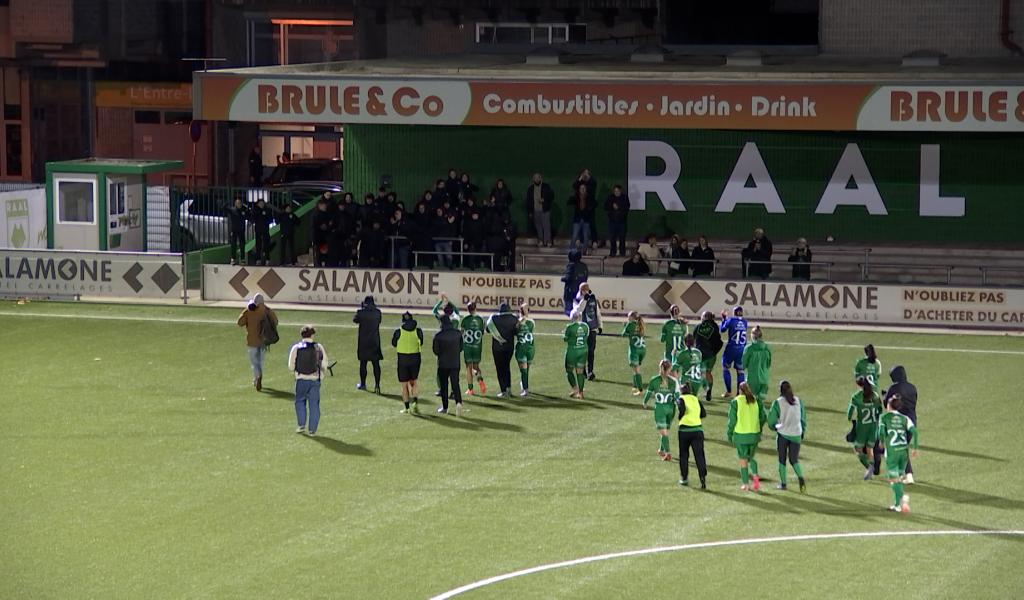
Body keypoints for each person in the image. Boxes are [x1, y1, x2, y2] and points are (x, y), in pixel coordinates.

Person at [877, 394, 919, 513]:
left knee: (893, 480)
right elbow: (915, 432)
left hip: (892, 453)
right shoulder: (905, 418)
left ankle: (903, 498)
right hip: (903, 453)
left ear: (889, 406)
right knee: (899, 478)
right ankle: (897, 505)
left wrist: (881, 442)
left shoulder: (884, 417)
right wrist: (915, 448)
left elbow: (881, 432)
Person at [287, 325, 328, 436]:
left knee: (300, 402)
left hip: (301, 379)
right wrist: (321, 375)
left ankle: (301, 425)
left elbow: (291, 366)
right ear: (312, 335)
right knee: (314, 405)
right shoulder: (318, 347)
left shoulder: (296, 348)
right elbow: (324, 363)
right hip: (315, 380)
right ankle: (312, 430)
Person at [727, 382, 768, 491]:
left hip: (741, 436)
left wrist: (729, 434)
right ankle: (755, 480)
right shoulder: (756, 400)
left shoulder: (736, 402)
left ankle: (746, 484)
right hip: (754, 435)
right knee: (751, 458)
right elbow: (763, 417)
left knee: (743, 460)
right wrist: (758, 428)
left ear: (739, 390)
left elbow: (732, 421)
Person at [882, 365, 919, 483]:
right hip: (912, 420)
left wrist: (884, 395)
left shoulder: (894, 387)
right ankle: (907, 475)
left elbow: (887, 404)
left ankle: (907, 475)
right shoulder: (912, 387)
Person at [768, 380, 806, 492]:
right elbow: (803, 418)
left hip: (783, 434)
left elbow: (771, 420)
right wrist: (802, 431)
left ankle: (783, 484)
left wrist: (775, 427)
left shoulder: (778, 402)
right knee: (794, 460)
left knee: (782, 460)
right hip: (796, 433)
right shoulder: (798, 401)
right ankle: (801, 477)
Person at [236, 293, 277, 391]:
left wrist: (246, 311)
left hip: (252, 340)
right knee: (261, 361)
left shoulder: (249, 310)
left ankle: (257, 377)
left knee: (254, 362)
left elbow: (239, 322)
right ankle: (259, 376)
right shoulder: (267, 311)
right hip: (264, 340)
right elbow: (275, 322)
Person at [643, 359, 679, 462]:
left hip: (660, 409)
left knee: (663, 432)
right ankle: (661, 449)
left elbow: (649, 393)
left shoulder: (654, 380)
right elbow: (677, 396)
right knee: (665, 431)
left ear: (661, 368)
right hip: (671, 409)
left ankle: (668, 453)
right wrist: (680, 408)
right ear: (669, 369)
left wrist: (644, 402)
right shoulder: (674, 381)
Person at [847, 377, 882, 480]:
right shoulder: (875, 395)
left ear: (859, 385)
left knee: (858, 449)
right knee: (869, 448)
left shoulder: (856, 397)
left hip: (862, 427)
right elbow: (880, 410)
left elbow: (849, 412)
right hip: (873, 426)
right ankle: (871, 466)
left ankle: (869, 467)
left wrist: (850, 419)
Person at [676, 381, 708, 489]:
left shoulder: (681, 399)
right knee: (699, 456)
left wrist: (680, 417)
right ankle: (702, 478)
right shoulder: (696, 399)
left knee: (684, 456)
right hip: (698, 431)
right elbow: (703, 414)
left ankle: (684, 478)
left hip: (684, 431)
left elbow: (682, 409)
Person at [392, 312, 424, 414]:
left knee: (404, 385)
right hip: (415, 358)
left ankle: (407, 407)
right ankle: (415, 403)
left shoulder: (398, 331)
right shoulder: (418, 331)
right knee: (414, 382)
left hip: (403, 359)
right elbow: (421, 342)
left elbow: (393, 343)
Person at [486, 302, 519, 398]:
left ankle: (503, 390)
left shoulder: (494, 318)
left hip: (497, 348)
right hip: (509, 348)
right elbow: (516, 332)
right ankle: (508, 388)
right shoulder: (514, 318)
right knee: (507, 367)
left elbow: (488, 330)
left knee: (500, 369)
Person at [433, 315, 464, 416]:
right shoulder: (457, 333)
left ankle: (445, 407)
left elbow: (436, 351)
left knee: (444, 386)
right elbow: (461, 347)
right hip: (455, 362)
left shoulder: (438, 335)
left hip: (443, 363)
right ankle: (458, 403)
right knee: (455, 384)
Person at [572, 282, 603, 381]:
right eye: (584, 289)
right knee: (583, 351)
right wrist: (584, 300)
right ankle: (583, 370)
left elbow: (597, 312)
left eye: (587, 289)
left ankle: (590, 371)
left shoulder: (592, 298)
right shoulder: (577, 299)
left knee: (591, 351)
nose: (586, 291)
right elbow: (578, 311)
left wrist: (600, 325)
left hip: (592, 328)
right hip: (582, 329)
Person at [353, 296, 383, 393]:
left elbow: (355, 320)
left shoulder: (361, 312)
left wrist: (362, 308)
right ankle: (377, 385)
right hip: (374, 341)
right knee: (376, 364)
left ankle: (363, 384)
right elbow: (379, 321)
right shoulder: (378, 312)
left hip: (364, 341)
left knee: (363, 363)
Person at [693, 311, 723, 402]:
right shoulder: (714, 327)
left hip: (701, 355)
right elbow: (718, 341)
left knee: (701, 373)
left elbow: (694, 339)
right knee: (708, 372)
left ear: (703, 317)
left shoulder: (698, 327)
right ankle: (709, 390)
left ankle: (706, 390)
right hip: (712, 355)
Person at [719, 306, 748, 398]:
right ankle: (740, 393)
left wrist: (724, 319)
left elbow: (722, 329)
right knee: (740, 371)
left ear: (734, 312)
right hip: (741, 348)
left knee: (725, 368)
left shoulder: (731, 320)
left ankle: (729, 391)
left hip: (731, 348)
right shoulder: (745, 322)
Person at [460, 301, 488, 395]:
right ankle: (480, 379)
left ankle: (470, 389)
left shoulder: (465, 319)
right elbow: (482, 332)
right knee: (476, 366)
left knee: (469, 367)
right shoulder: (481, 319)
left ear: (468, 309)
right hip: (477, 346)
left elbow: (462, 333)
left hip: (468, 347)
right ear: (476, 308)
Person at [741, 325, 772, 407]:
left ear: (753, 335)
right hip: (764, 378)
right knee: (760, 404)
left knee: (750, 404)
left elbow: (743, 363)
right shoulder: (766, 348)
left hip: (752, 379)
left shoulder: (749, 348)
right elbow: (769, 363)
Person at [563, 310, 590, 399]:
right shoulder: (586, 326)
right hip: (583, 350)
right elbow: (587, 336)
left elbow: (565, 339)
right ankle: (581, 393)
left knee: (569, 370)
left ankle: (575, 389)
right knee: (580, 372)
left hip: (572, 351)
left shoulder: (570, 327)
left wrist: (564, 334)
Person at [621, 311, 647, 396]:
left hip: (634, 350)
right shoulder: (641, 324)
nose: (628, 318)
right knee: (636, 368)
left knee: (636, 370)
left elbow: (623, 334)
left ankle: (640, 390)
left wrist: (625, 326)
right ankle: (635, 385)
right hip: (642, 349)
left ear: (632, 317)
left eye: (628, 316)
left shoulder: (630, 324)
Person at [525, 172, 554, 247]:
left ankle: (547, 241)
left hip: (544, 209)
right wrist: (530, 212)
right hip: (535, 210)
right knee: (538, 226)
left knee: (546, 226)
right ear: (533, 179)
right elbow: (528, 201)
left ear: (541, 178)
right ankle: (540, 240)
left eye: (538, 177)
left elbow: (551, 196)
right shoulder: (530, 189)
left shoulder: (546, 186)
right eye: (535, 178)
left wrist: (544, 199)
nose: (536, 179)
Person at [514, 304, 536, 396]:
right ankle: (525, 389)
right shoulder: (519, 322)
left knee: (526, 369)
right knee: (524, 370)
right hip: (522, 349)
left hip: (530, 349)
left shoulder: (531, 322)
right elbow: (515, 331)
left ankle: (524, 384)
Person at [560, 248, 588, 316]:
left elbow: (568, 278)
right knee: (579, 308)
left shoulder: (571, 265)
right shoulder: (584, 266)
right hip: (580, 291)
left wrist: (562, 279)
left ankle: (574, 320)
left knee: (569, 310)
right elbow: (586, 277)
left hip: (570, 291)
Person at [604, 184, 629, 257]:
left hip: (622, 222)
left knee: (622, 238)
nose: (616, 192)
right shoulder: (610, 198)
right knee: (612, 238)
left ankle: (622, 252)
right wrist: (612, 206)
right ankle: (613, 252)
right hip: (612, 222)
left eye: (618, 191)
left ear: (620, 191)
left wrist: (618, 208)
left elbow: (626, 208)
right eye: (615, 191)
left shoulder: (624, 198)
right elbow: (605, 206)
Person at [568, 182, 593, 252]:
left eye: (584, 188)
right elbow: (569, 202)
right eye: (581, 188)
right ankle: (571, 251)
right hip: (577, 219)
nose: (582, 189)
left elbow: (593, 204)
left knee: (586, 237)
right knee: (574, 236)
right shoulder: (576, 197)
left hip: (586, 219)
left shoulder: (589, 197)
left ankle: (584, 251)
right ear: (579, 189)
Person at [311, 197, 334, 267]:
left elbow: (329, 224)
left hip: (325, 238)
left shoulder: (327, 214)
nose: (325, 207)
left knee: (326, 254)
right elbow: (313, 226)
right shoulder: (315, 214)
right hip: (317, 238)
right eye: (323, 206)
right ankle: (318, 267)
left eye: (325, 206)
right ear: (319, 206)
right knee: (318, 255)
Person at [250, 197, 273, 266]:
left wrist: (266, 222)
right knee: (258, 245)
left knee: (266, 245)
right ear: (257, 204)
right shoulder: (255, 211)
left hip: (266, 229)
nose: (261, 204)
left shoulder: (268, 210)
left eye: (263, 203)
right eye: (260, 203)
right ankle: (258, 259)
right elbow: (252, 219)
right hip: (258, 230)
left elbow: (271, 219)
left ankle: (267, 259)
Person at [225, 196, 248, 266]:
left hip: (241, 230)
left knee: (242, 245)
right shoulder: (232, 210)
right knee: (233, 245)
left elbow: (249, 214)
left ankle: (243, 259)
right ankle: (233, 259)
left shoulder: (244, 210)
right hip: (234, 230)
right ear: (235, 204)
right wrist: (226, 203)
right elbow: (223, 208)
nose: (239, 204)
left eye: (240, 203)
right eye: (237, 203)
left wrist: (246, 208)